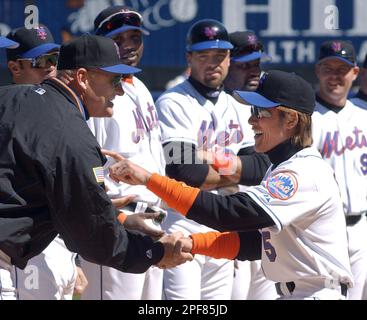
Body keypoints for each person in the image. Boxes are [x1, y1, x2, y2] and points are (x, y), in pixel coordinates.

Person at [106, 70, 353, 300]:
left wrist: (149, 179)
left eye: (261, 111)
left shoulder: (303, 172)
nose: (251, 119)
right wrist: (192, 243)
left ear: (290, 120)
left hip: (317, 292)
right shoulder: (279, 167)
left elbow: (227, 213)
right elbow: (255, 243)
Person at [0, 34, 192, 300]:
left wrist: (111, 213)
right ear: (82, 78)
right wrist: (155, 252)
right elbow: (97, 240)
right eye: (114, 80)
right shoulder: (73, 135)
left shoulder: (10, 97)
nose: (121, 91)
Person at [155, 19, 270, 300]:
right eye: (203, 56)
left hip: (223, 221)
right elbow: (185, 171)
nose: (212, 63)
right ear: (189, 58)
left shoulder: (237, 107)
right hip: (182, 220)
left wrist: (206, 156)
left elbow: (258, 169)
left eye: (219, 56)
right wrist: (234, 169)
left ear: (229, 58)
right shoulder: (173, 102)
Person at [81, 5, 167, 300]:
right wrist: (110, 216)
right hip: (118, 221)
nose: (129, 45)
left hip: (151, 218)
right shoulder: (97, 91)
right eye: (119, 39)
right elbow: (88, 162)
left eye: (135, 37)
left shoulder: (139, 86)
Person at [5, 24, 87, 300]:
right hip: (23, 247)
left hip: (59, 243)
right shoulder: (6, 115)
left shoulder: (64, 112)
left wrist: (74, 259)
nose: (51, 68)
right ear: (15, 68)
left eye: (55, 59)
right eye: (41, 61)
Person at [224, 30, 277, 300]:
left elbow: (257, 168)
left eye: (256, 63)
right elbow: (191, 169)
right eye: (245, 65)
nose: (253, 71)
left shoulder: (264, 105)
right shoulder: (222, 105)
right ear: (227, 63)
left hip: (266, 224)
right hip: (230, 219)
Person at [312, 40, 367, 300]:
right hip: (321, 231)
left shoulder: (363, 115)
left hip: (361, 226)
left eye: (341, 69)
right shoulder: (304, 118)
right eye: (328, 68)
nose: (335, 76)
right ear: (317, 71)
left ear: (354, 73)